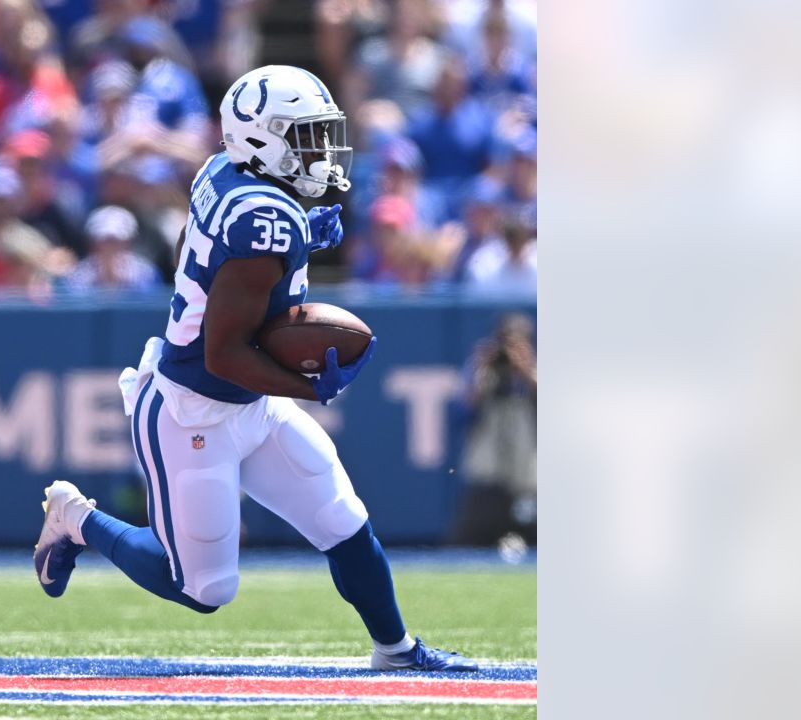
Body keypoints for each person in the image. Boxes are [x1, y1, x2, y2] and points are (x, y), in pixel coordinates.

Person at [33, 65, 479, 672]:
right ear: (263, 139)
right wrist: (308, 386)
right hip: (193, 407)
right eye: (305, 136)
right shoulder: (263, 221)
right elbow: (225, 353)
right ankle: (77, 518)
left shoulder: (228, 172)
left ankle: (397, 650)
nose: (320, 151)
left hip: (250, 403)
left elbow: (234, 265)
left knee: (344, 522)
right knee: (202, 588)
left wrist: (297, 240)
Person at [449, 313, 537, 545]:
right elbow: (462, 414)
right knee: (467, 544)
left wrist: (526, 371)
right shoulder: (483, 371)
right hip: (487, 474)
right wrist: (482, 368)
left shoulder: (534, 372)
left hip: (527, 475)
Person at [63, 205, 161, 291]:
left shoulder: (145, 273)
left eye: (115, 241)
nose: (109, 247)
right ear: (93, 243)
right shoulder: (78, 275)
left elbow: (149, 303)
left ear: (128, 242)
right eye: (104, 241)